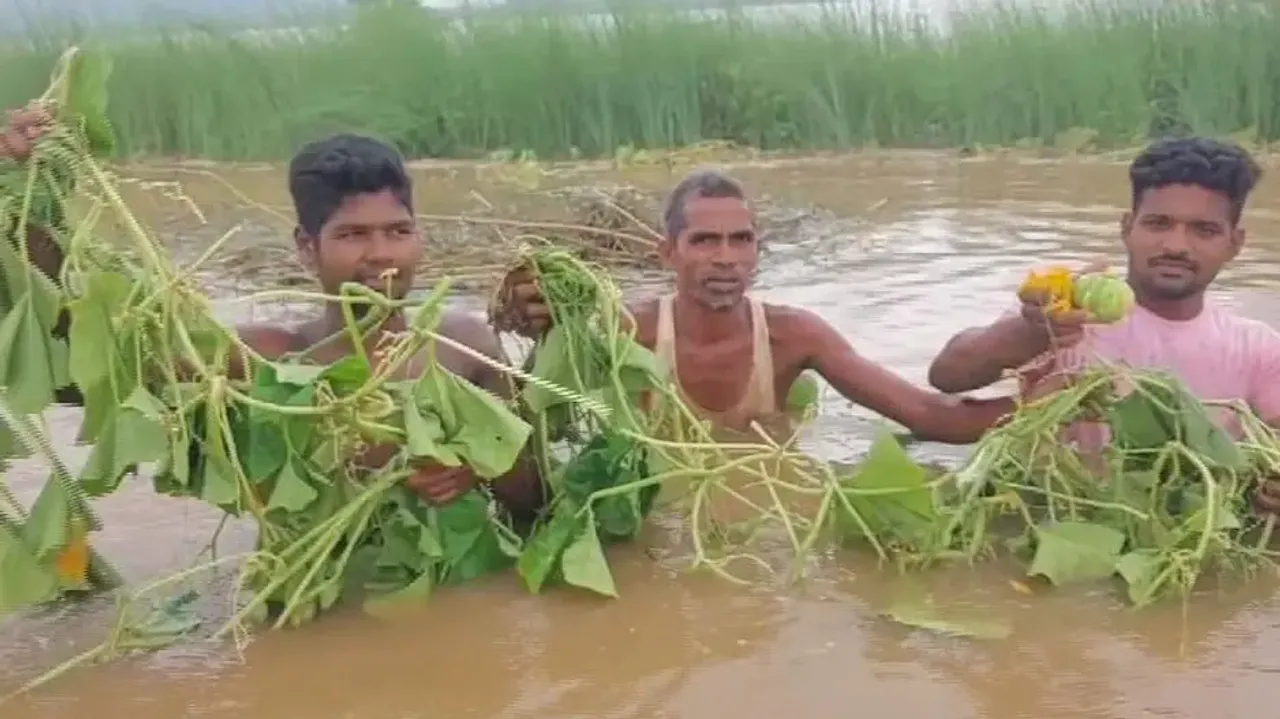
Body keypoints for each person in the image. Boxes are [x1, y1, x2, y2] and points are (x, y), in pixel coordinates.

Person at [1, 104, 544, 518]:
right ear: (307, 248)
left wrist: (478, 464)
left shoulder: (465, 348)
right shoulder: (259, 359)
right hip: (312, 595)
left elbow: (536, 501)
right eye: (352, 234)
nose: (381, 254)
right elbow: (93, 375)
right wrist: (34, 204)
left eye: (398, 231)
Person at [492, 168, 1014, 444]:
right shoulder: (626, 331)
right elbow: (534, 425)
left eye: (741, 240)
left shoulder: (796, 336)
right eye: (705, 241)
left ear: (757, 252)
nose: (726, 258)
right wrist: (548, 334)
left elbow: (929, 416)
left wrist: (1045, 399)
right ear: (667, 253)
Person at [925, 136, 1280, 514]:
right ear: (1127, 228)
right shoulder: (1068, 312)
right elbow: (947, 376)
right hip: (1060, 517)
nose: (1176, 245)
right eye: (1158, 224)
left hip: (1189, 526)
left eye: (1204, 230)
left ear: (1235, 243)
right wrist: (1029, 332)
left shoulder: (1256, 348)